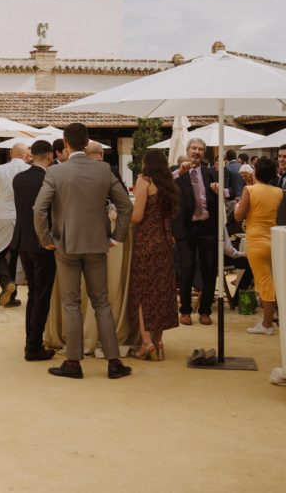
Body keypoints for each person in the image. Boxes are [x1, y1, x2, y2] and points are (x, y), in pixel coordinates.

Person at [34, 122, 133, 381]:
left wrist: (46, 238)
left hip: (65, 244)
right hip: (97, 244)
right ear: (87, 143)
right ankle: (113, 361)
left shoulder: (56, 173)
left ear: (65, 143)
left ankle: (73, 362)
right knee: (101, 302)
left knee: (71, 303)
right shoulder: (103, 170)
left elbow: (38, 209)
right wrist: (116, 236)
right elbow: (125, 206)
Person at [128, 149, 180, 361]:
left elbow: (138, 216)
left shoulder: (144, 182)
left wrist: (119, 213)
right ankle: (158, 342)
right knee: (161, 292)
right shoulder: (168, 185)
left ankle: (146, 344)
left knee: (142, 294)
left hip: (147, 243)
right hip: (165, 243)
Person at [11, 140, 57, 361]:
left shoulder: (19, 179)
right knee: (42, 295)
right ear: (49, 155)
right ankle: (33, 346)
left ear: (31, 155)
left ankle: (31, 341)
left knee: (32, 294)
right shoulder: (48, 178)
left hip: (22, 241)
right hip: (42, 242)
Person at [172, 138, 220, 326]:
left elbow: (228, 193)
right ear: (187, 150)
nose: (197, 152)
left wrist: (219, 190)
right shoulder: (177, 173)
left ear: (204, 152)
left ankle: (205, 310)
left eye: (200, 149)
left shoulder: (211, 173)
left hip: (208, 227)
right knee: (187, 268)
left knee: (209, 269)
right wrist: (178, 172)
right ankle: (185, 310)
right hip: (186, 227)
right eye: (194, 148)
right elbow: (165, 187)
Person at [233, 156, 282, 335]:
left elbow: (239, 215)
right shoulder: (278, 191)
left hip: (256, 239)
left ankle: (267, 323)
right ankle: (269, 319)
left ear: (256, 171)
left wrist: (239, 202)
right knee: (270, 279)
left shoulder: (250, 190)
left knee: (264, 282)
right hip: (272, 237)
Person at [0, 143, 30, 307]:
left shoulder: (0, 170)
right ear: (26, 155)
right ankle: (11, 295)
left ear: (10, 153)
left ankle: (6, 282)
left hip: (3, 215)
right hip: (23, 217)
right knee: (14, 256)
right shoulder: (29, 170)